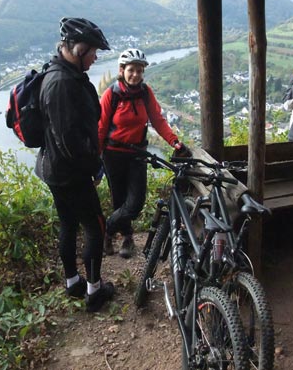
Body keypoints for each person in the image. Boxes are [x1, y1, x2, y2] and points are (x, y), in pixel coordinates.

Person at [35, 17, 114, 312]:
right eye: (93, 51)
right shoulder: (61, 83)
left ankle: (72, 283)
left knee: (68, 224)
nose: (95, 57)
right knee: (96, 227)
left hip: (56, 169)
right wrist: (94, 167)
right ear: (77, 47)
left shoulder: (62, 74)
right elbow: (70, 141)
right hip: (71, 173)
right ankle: (94, 291)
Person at [98, 48, 188, 258]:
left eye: (139, 70)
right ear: (122, 70)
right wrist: (96, 157)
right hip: (112, 154)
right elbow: (101, 128)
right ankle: (127, 238)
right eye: (131, 70)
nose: (136, 75)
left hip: (137, 154)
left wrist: (174, 142)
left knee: (135, 204)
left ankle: (108, 229)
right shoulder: (111, 94)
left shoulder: (145, 93)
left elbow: (157, 120)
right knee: (119, 199)